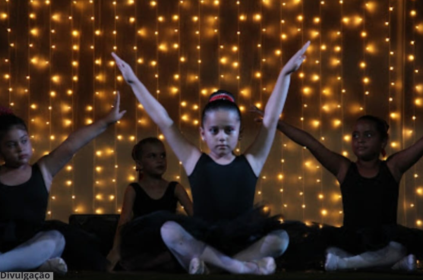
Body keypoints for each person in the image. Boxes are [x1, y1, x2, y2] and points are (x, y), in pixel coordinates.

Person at [111, 41, 310, 275]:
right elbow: (164, 121)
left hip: (242, 241)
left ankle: (216, 267)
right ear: (202, 133)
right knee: (168, 230)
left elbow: (271, 120)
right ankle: (239, 268)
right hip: (203, 241)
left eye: (229, 130)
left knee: (281, 238)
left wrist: (285, 75)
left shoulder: (252, 161)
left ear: (240, 132)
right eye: (214, 131)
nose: (222, 137)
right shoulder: (195, 160)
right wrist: (133, 81)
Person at [251, 107, 423, 271]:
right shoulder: (344, 168)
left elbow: (419, 146)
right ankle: (389, 265)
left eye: (368, 135)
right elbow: (311, 143)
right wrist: (277, 123)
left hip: (384, 241)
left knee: (398, 248)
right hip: (352, 241)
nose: (360, 140)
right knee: (330, 251)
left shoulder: (393, 168)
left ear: (383, 141)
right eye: (355, 135)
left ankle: (348, 265)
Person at [0, 93, 125, 273]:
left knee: (56, 239)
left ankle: (18, 270)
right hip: (4, 245)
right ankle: (27, 272)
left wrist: (106, 121)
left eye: (24, 141)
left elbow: (72, 144)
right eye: (11, 145)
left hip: (34, 245)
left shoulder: (42, 170)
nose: (20, 149)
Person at [106, 137, 193, 271]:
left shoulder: (175, 187)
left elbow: (194, 216)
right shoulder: (133, 189)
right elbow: (124, 220)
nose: (160, 160)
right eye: (152, 156)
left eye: (162, 155)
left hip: (167, 240)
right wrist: (116, 250)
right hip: (144, 241)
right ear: (139, 164)